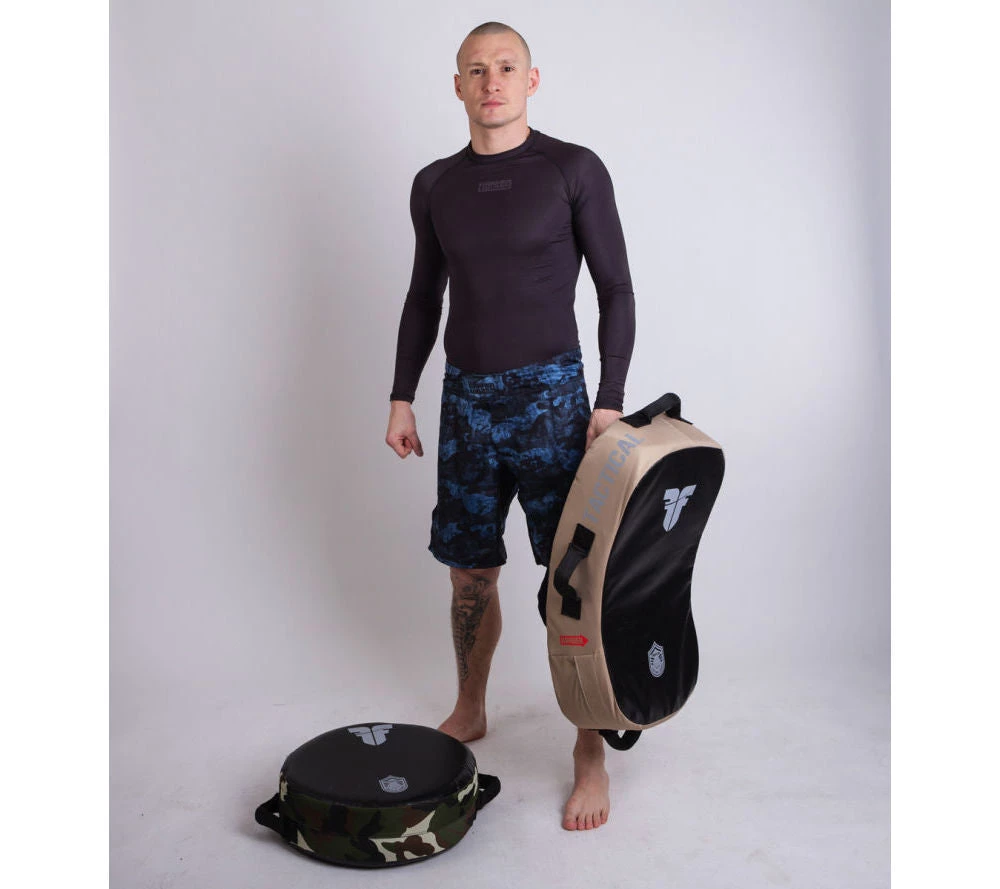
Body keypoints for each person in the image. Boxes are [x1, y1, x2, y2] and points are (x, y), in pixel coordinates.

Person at [384, 21, 635, 832]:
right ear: (457, 85)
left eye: (505, 67)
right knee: (468, 572)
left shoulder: (572, 169)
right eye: (475, 69)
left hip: (553, 400)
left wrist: (609, 398)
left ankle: (589, 750)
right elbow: (423, 295)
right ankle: (471, 706)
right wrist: (401, 395)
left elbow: (616, 288)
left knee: (572, 581)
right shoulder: (434, 184)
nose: (490, 81)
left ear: (532, 80)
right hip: (464, 400)